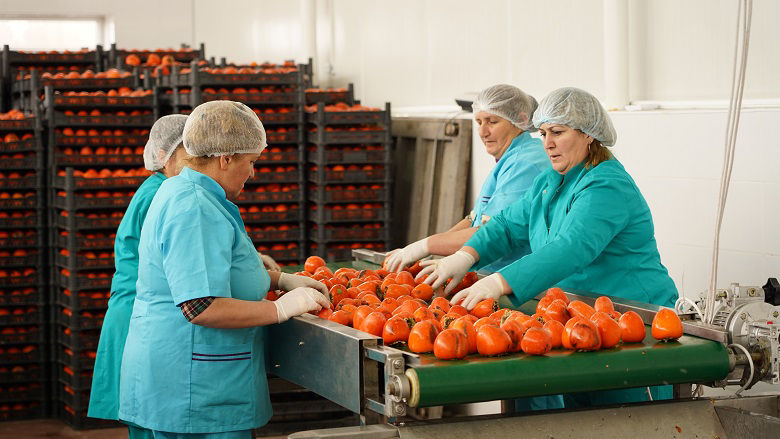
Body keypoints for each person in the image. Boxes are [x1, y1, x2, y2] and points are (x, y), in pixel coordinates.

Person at [419, 87, 679, 407]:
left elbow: (572, 248)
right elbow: (506, 226)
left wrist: (499, 281)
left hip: (636, 320)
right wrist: (464, 255)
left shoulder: (607, 184)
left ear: (589, 135)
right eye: (543, 133)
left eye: (558, 132)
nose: (548, 143)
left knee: (628, 418)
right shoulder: (550, 180)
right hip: (585, 319)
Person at [118, 101, 330, 438]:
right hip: (193, 385)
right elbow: (199, 305)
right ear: (225, 158)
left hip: (194, 377)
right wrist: (280, 308)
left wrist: (281, 279)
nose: (253, 172)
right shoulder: (193, 207)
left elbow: (219, 266)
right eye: (251, 162)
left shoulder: (191, 192)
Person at [88, 114, 189, 438]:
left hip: (138, 308)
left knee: (148, 413)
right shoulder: (160, 194)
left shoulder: (164, 187)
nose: (197, 166)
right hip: (136, 311)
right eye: (190, 157)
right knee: (148, 417)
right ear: (166, 156)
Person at [384, 84, 549, 274]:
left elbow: (494, 231)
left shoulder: (526, 163)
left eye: (492, 122)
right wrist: (429, 249)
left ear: (519, 120)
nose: (483, 132)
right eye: (479, 122)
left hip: (514, 276)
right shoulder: (510, 158)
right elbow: (474, 219)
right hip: (493, 272)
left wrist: (426, 246)